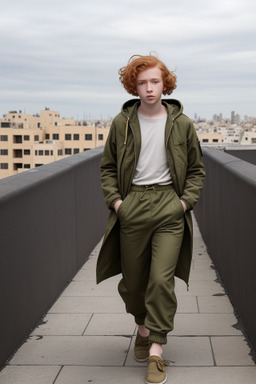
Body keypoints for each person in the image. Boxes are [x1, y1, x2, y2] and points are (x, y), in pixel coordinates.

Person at [96, 54, 205, 384]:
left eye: (154, 81)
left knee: (161, 280)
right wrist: (117, 203)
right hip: (133, 206)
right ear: (134, 86)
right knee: (133, 283)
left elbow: (197, 170)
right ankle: (142, 327)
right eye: (142, 82)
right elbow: (108, 168)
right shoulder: (122, 123)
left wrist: (184, 204)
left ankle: (156, 349)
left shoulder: (182, 124)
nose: (149, 88)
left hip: (169, 207)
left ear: (165, 83)